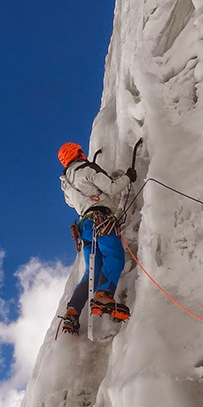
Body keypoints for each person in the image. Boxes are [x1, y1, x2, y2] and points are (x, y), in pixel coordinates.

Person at [58, 142, 137, 335]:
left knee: (91, 273)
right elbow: (111, 188)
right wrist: (128, 177)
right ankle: (103, 295)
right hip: (101, 220)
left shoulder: (66, 184)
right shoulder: (88, 169)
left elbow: (71, 203)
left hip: (85, 227)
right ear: (78, 153)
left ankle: (72, 311)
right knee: (115, 256)